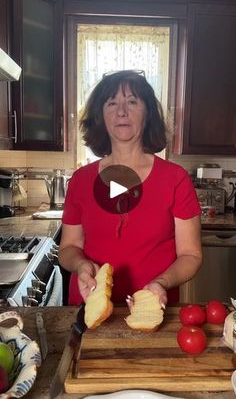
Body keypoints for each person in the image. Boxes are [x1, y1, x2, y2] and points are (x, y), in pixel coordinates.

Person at [59, 69, 202, 308]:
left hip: (153, 309)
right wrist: (81, 265)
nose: (121, 112)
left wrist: (162, 282)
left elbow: (191, 255)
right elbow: (69, 247)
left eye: (132, 102)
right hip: (89, 307)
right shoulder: (81, 180)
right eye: (111, 102)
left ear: (148, 114)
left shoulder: (175, 179)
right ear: (100, 116)